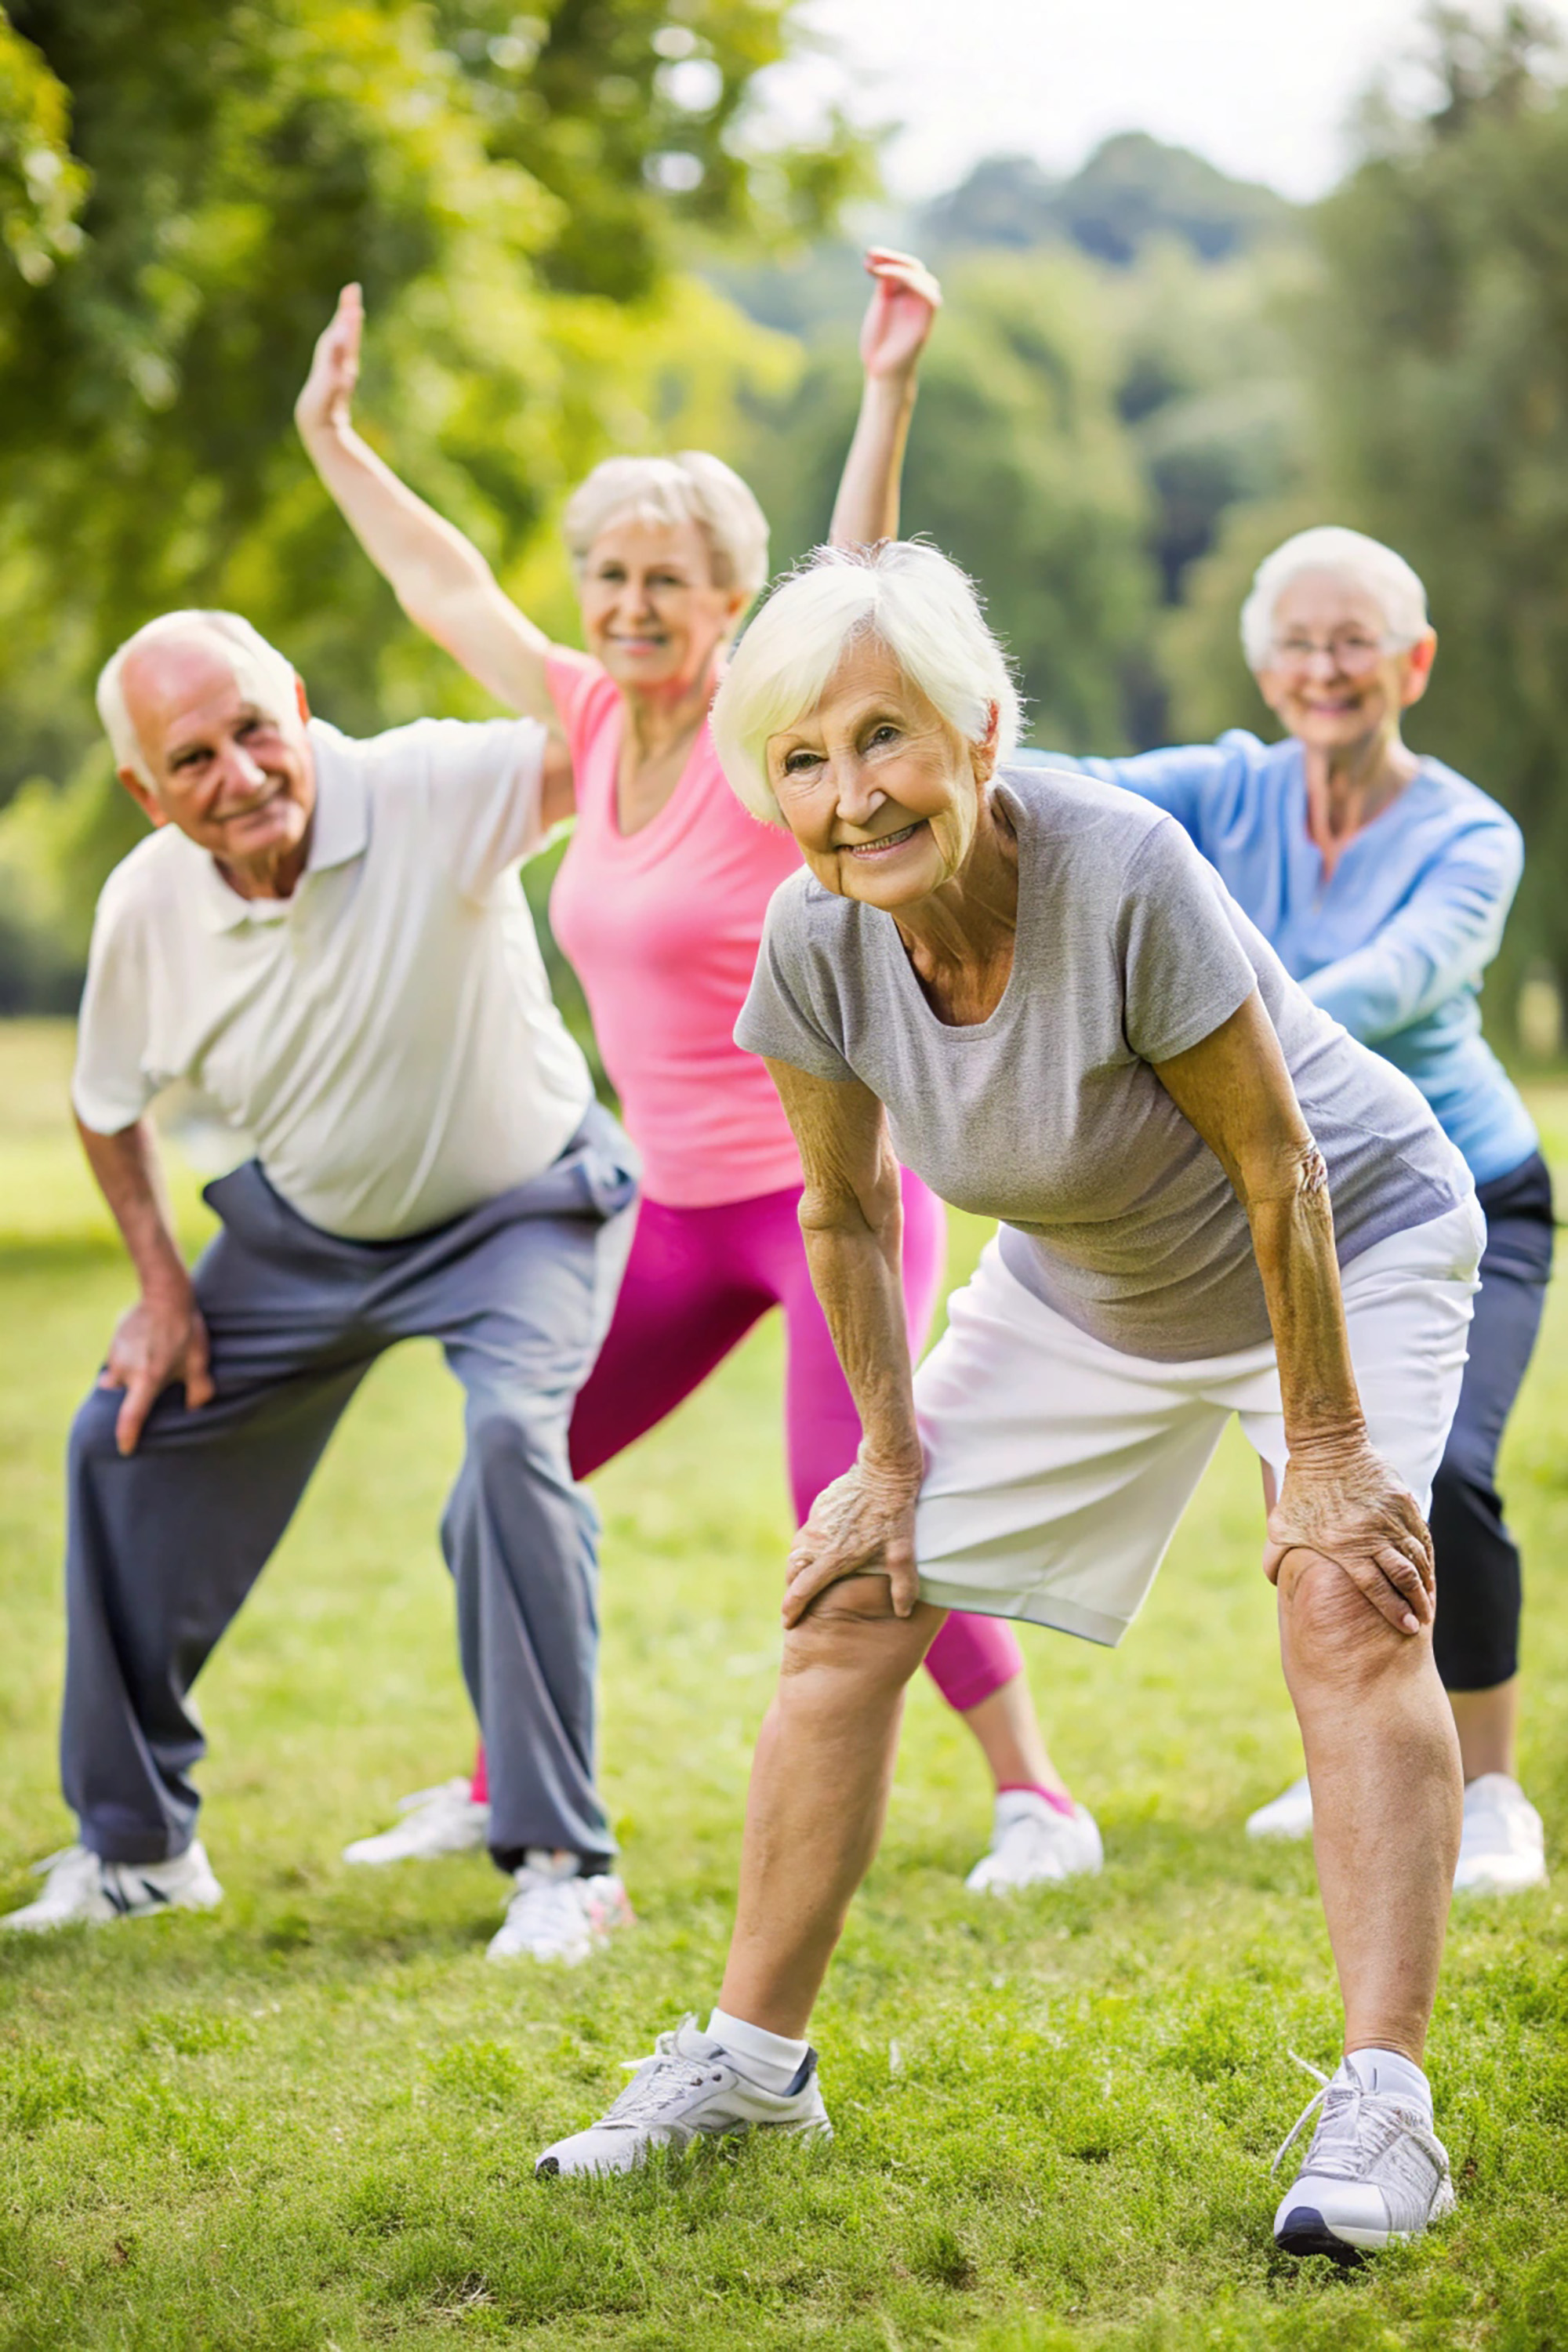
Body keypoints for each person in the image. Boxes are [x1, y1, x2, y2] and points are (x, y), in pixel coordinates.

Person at [533, 540, 1486, 2267]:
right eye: (803, 761)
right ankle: (751, 2066)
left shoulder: (1119, 868)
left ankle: (1385, 2109)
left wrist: (1332, 1456)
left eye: (883, 738)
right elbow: (842, 1210)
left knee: (1348, 1600)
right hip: (1093, 1284)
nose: (850, 797)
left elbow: (1278, 1167)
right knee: (850, 1594)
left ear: (978, 733)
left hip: (1344, 1238)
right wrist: (887, 1460)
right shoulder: (816, 938)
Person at [293, 255, 1093, 1899]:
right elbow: (446, 589)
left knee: (847, 1498)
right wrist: (335, 442)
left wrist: (886, 386)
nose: (632, 603)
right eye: (609, 574)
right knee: (514, 1464)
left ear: (731, 604)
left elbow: (856, 575)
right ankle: (504, 1778)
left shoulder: (759, 731)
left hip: (830, 1197)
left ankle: (1038, 1798)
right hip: (673, 1209)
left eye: (668, 577)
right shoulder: (589, 720)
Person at [0, 612, 643, 1967]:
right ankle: (138, 1850)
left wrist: (669, 645)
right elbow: (107, 1104)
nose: (239, 774)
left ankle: (563, 1863)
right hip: (309, 1233)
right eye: (193, 759)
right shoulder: (147, 906)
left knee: (512, 1443)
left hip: (520, 1208)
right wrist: (162, 1288)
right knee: (120, 1440)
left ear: (296, 702)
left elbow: (616, 742)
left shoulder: (428, 784)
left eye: (253, 728)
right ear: (147, 793)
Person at [1041, 525, 1550, 1896]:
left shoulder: (1468, 835)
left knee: (1439, 1473)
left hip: (1462, 1196)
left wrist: (1200, 1030)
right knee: (1314, 1493)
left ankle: (1493, 1787)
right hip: (1299, 1203)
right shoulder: (1223, 788)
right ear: (1267, 672)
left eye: (1354, 643)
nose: (1326, 669)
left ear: (1413, 664)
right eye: (1300, 647)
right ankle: (1360, 1744)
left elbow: (1396, 977)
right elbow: (1063, 791)